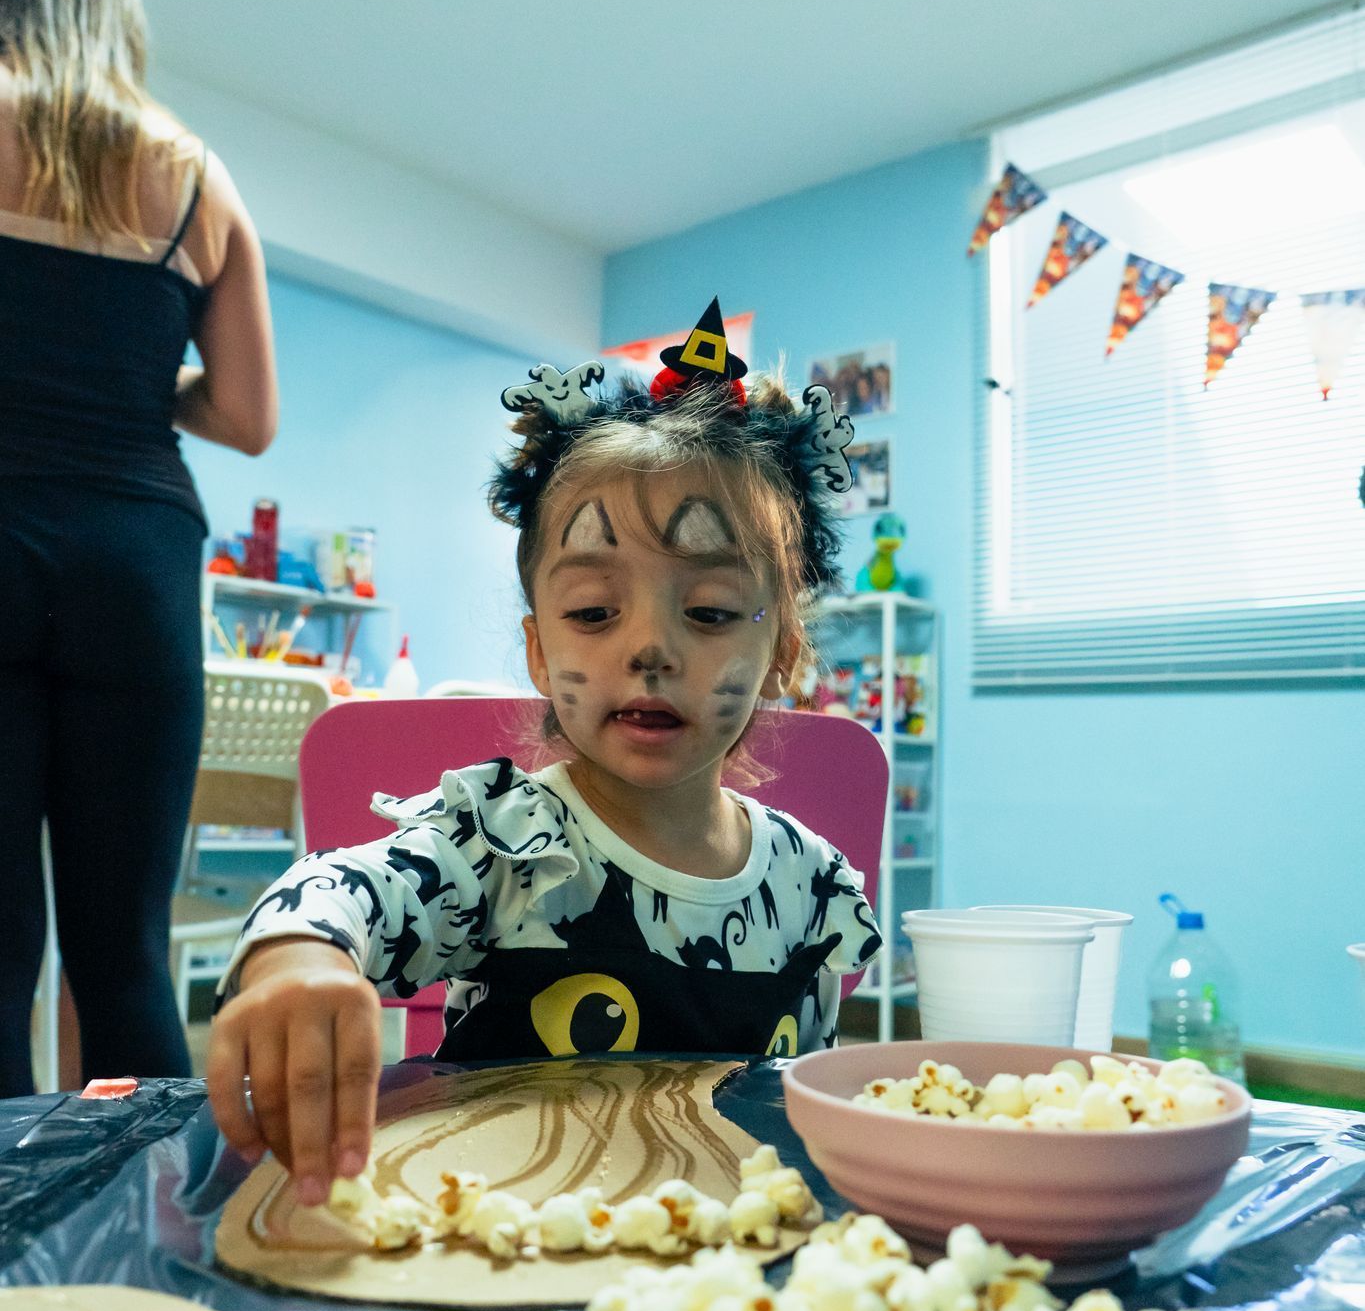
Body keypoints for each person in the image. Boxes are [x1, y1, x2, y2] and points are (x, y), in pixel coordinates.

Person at [208, 304, 881, 1204]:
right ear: (538, 651)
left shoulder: (812, 884)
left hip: (725, 1282)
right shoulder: (505, 843)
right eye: (595, 613)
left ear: (782, 654)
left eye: (711, 613)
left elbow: (804, 1117)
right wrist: (300, 957)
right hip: (504, 1240)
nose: (648, 650)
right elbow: (339, 885)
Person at [0, 0, 277, 1096]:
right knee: (124, 961)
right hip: (137, 559)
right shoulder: (197, 175)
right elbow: (248, 413)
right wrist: (124, 377)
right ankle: (139, 1237)